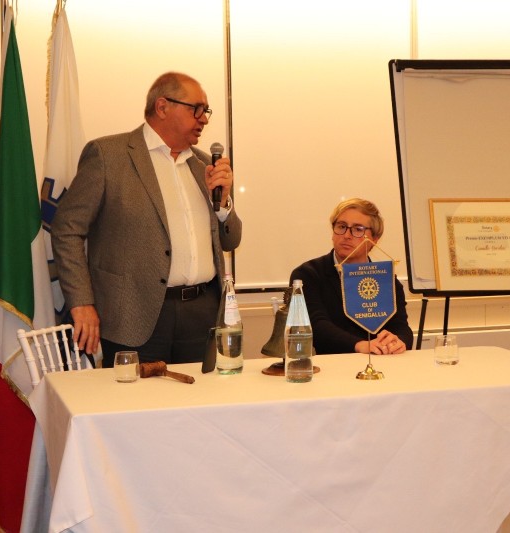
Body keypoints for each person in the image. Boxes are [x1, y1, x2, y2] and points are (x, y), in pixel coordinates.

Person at [51, 72, 242, 366]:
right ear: (162, 107)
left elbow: (231, 240)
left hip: (202, 313)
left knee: (202, 395)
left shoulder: (203, 165)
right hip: (133, 315)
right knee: (136, 396)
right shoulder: (108, 156)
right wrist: (82, 302)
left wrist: (224, 203)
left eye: (206, 111)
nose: (204, 119)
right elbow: (66, 230)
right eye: (197, 109)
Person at [289, 198, 413, 355]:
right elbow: (316, 326)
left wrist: (399, 341)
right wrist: (360, 345)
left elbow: (401, 327)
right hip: (334, 363)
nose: (347, 235)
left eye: (358, 229)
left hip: (383, 361)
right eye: (341, 227)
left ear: (374, 240)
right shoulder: (307, 275)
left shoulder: (386, 279)